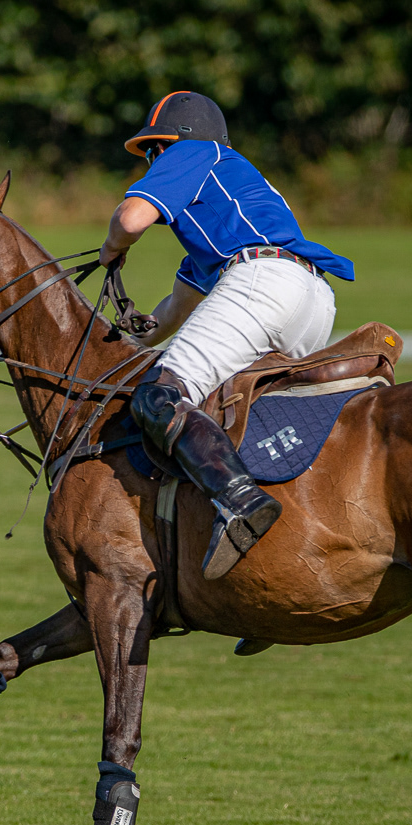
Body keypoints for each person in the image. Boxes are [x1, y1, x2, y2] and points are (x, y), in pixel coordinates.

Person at [99, 91, 355, 580]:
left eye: (154, 150)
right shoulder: (223, 217)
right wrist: (131, 340)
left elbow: (131, 218)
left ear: (173, 143)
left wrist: (112, 248)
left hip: (262, 282)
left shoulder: (195, 152)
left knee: (158, 396)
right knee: (249, 414)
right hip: (312, 296)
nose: (153, 161)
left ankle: (239, 503)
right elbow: (174, 311)